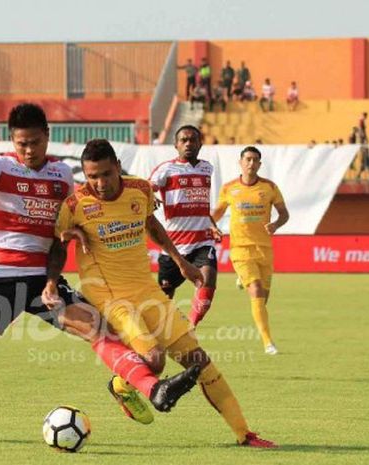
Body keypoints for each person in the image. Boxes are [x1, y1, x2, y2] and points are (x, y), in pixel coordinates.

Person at [0, 103, 200, 441]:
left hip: (43, 279)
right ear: (12, 140)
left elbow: (70, 219)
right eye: (22, 143)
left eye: (35, 142)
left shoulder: (61, 176)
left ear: (47, 138)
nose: (29, 150)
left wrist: (73, 233)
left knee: (99, 329)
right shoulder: (0, 167)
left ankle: (154, 389)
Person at [44, 139, 277, 448]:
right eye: (91, 177)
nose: (99, 183)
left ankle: (245, 435)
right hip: (110, 296)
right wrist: (52, 277)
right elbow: (57, 246)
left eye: (105, 174)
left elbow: (151, 224)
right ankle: (126, 385)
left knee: (201, 362)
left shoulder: (140, 189)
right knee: (154, 362)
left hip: (148, 290)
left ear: (117, 167)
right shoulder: (75, 205)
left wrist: (180, 261)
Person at [210, 146, 289, 355]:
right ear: (240, 162)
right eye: (248, 159)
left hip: (263, 249)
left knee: (263, 298)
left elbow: (284, 214)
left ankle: (242, 280)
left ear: (260, 164)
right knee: (255, 290)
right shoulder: (229, 188)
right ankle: (268, 343)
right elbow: (216, 213)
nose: (251, 163)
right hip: (240, 248)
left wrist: (276, 225)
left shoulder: (270, 188)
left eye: (255, 160)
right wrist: (212, 226)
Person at [148, 126, 217, 326]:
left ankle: (190, 327)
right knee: (164, 296)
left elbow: (201, 203)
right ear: (176, 145)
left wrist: (212, 224)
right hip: (173, 246)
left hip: (202, 242)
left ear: (200, 144)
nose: (188, 144)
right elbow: (147, 187)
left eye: (192, 140)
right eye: (184, 140)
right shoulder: (166, 169)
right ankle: (156, 331)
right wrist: (150, 196)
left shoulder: (207, 168)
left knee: (207, 284)